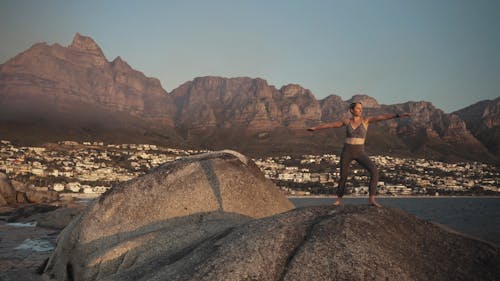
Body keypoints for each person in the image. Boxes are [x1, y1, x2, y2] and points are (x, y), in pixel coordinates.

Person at [307, 102, 410, 207]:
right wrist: (316, 128)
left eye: (361, 108)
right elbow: (331, 125)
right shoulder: (347, 122)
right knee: (343, 176)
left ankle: (371, 199)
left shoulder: (366, 121)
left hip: (360, 152)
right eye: (358, 108)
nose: (360, 110)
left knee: (374, 171)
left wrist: (398, 115)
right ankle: (338, 200)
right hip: (347, 151)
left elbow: (382, 117)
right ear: (352, 110)